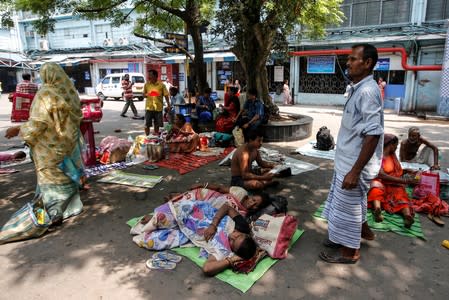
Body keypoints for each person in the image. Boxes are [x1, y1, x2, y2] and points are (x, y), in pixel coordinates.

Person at [320, 44, 384, 264]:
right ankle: (362, 233)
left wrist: (355, 171)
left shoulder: (368, 91)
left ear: (367, 63)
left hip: (355, 165)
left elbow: (373, 134)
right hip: (347, 161)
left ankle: (350, 253)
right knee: (346, 204)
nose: (348, 63)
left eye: (353, 59)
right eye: (348, 59)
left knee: (349, 210)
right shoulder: (358, 87)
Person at [5, 62, 85, 225]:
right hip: (68, 142)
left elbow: (40, 123)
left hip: (49, 145)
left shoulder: (46, 93)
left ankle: (55, 210)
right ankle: (70, 204)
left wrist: (18, 129)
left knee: (51, 175)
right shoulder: (70, 91)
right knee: (64, 173)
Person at [130, 198, 257, 276]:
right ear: (244, 234)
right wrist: (214, 224)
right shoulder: (242, 226)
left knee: (151, 241)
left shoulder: (224, 250)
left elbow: (207, 269)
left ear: (233, 250)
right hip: (194, 213)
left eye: (232, 241)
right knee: (160, 218)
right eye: (238, 235)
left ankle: (158, 221)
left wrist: (231, 260)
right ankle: (156, 219)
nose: (232, 236)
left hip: (188, 233)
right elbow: (227, 207)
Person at [367, 134, 417, 228]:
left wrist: (406, 171)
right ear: (390, 145)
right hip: (381, 181)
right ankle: (377, 209)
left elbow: (396, 171)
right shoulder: (379, 157)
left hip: (393, 183)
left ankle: (407, 216)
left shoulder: (392, 156)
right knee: (376, 189)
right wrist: (404, 181)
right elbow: (381, 175)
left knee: (400, 194)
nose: (396, 147)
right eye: (396, 146)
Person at [143, 69, 170, 136]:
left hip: (158, 108)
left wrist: (168, 105)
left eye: (150, 75)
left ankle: (155, 137)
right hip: (149, 107)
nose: (148, 77)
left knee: (157, 124)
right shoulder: (146, 85)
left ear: (155, 76)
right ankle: (147, 137)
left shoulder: (161, 85)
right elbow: (143, 95)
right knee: (147, 124)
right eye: (148, 75)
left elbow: (166, 95)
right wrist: (148, 94)